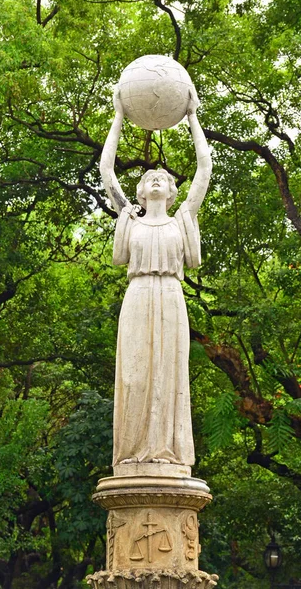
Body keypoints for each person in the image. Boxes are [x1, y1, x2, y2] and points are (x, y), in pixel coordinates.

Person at [100, 85, 212, 467]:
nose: (156, 177)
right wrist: (118, 115)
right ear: (141, 192)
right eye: (149, 177)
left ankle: (169, 453)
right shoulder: (129, 218)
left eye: (163, 177)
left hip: (169, 297)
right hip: (137, 297)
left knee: (169, 375)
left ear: (173, 190)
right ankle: (131, 455)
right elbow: (106, 171)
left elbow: (205, 168)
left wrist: (193, 115)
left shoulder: (183, 218)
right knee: (134, 377)